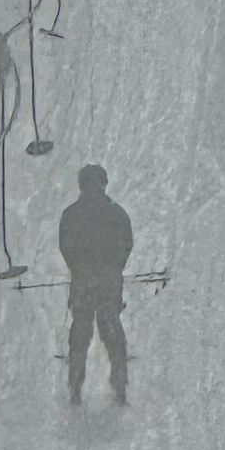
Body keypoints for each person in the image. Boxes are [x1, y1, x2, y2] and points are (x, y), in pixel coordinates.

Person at [58, 164, 133, 406]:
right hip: (109, 279)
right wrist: (115, 268)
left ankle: (75, 387)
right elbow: (127, 244)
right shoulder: (117, 214)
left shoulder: (70, 214)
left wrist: (78, 268)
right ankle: (120, 385)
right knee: (112, 328)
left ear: (81, 185)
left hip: (83, 279)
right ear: (104, 183)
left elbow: (65, 246)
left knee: (80, 332)